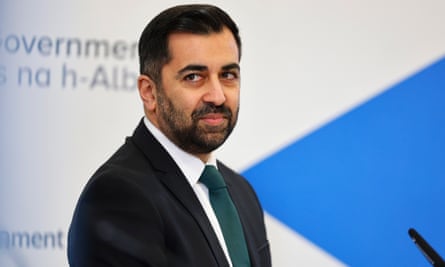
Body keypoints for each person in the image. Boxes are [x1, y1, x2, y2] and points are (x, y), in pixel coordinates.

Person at [67, 4, 271, 267]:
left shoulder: (241, 193)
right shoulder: (118, 196)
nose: (218, 96)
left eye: (228, 75)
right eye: (194, 76)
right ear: (149, 92)